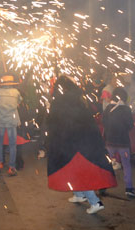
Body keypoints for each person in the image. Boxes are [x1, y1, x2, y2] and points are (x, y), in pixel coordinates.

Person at [47, 76, 116, 215]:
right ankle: (79, 194)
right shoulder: (79, 98)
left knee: (77, 171)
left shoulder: (61, 101)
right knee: (71, 170)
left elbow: (54, 121)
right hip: (84, 140)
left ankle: (94, 201)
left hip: (72, 143)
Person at [103, 87, 135, 197]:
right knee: (126, 165)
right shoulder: (126, 109)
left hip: (110, 142)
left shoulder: (108, 108)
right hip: (123, 142)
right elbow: (130, 125)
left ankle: (103, 186)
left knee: (107, 163)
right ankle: (129, 188)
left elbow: (104, 123)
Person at [0, 74, 22, 176]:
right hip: (11, 120)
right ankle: (11, 167)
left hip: (1, 119)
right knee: (12, 144)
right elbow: (19, 102)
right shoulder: (16, 92)